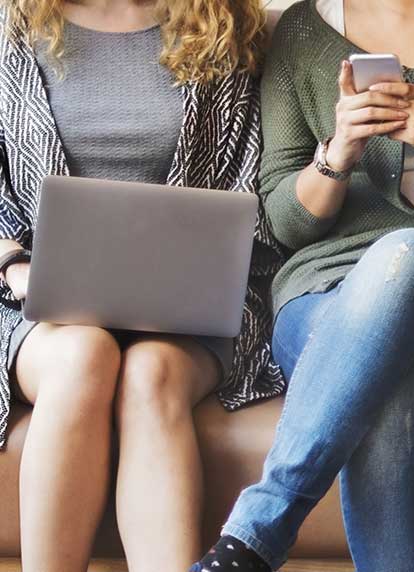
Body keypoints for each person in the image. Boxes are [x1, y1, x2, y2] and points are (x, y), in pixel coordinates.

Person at [192, 0, 414, 569]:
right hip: (331, 290)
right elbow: (285, 223)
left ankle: (257, 533)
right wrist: (338, 154)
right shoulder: (306, 32)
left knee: (404, 252)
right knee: (388, 379)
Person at [0, 0, 273, 569]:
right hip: (34, 302)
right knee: (82, 355)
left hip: (189, 303)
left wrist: (205, 261)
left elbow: (252, 193)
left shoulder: (221, 27)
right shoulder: (12, 30)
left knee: (151, 372)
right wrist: (15, 267)